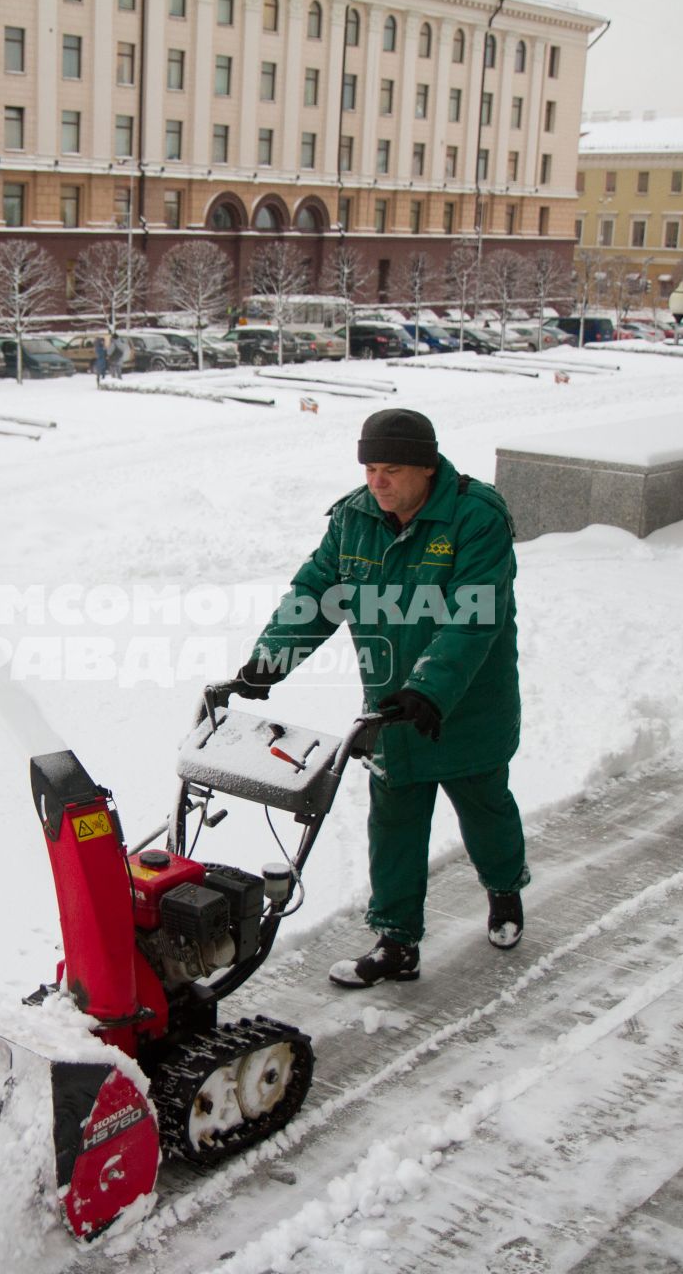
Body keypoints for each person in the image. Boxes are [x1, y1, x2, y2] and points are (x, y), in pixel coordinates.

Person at [228, 408, 527, 988]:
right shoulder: (355, 519)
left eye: (390, 470)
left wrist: (429, 689)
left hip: (466, 704)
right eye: (369, 469)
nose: (376, 482)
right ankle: (396, 943)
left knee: (485, 810)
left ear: (427, 468)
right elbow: (318, 590)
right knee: (394, 822)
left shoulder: (475, 517)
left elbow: (474, 618)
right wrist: (270, 660)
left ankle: (505, 891)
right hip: (392, 705)